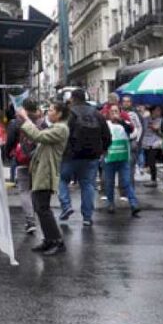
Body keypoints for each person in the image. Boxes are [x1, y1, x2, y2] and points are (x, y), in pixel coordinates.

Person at [16, 100, 70, 255]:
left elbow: (38, 136)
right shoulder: (56, 127)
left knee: (43, 208)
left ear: (59, 114)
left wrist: (26, 118)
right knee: (39, 208)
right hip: (40, 171)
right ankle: (49, 239)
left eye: (52, 110)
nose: (49, 112)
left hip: (46, 172)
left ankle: (57, 242)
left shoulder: (61, 128)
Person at [57, 88, 110, 227]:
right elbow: (107, 135)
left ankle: (66, 206)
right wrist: (104, 149)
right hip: (91, 156)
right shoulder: (97, 114)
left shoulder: (70, 114)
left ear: (73, 99)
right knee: (87, 184)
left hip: (70, 155)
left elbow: (62, 134)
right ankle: (87, 217)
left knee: (62, 180)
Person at [8, 99, 41, 235]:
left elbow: (10, 141)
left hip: (22, 160)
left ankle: (30, 220)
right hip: (38, 160)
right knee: (35, 190)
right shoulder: (41, 121)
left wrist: (8, 154)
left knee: (24, 190)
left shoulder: (17, 122)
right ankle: (39, 217)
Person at [102, 104, 141, 217]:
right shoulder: (106, 125)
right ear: (109, 114)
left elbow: (131, 130)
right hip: (109, 158)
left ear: (120, 113)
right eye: (112, 112)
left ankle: (134, 204)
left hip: (123, 158)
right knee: (109, 183)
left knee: (126, 182)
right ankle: (110, 203)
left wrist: (121, 121)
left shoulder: (126, 124)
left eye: (116, 111)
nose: (114, 114)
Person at [140, 105, 163, 186]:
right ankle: (151, 178)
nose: (159, 112)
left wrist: (156, 129)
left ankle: (153, 180)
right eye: (157, 110)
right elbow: (142, 129)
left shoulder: (161, 120)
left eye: (159, 110)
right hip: (146, 143)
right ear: (153, 111)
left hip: (155, 143)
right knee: (149, 162)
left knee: (152, 161)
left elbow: (162, 132)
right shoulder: (145, 119)